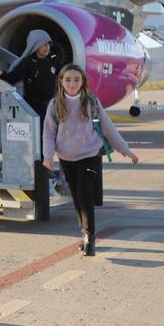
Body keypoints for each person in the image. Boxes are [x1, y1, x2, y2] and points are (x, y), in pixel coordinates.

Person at [42, 65, 138, 256]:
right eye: (68, 79)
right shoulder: (55, 104)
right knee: (77, 197)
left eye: (76, 80)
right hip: (66, 157)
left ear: (83, 82)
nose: (72, 83)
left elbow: (108, 127)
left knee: (85, 194)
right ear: (61, 81)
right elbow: (48, 132)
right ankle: (84, 233)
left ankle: (89, 237)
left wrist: (125, 150)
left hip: (89, 155)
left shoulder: (91, 101)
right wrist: (48, 156)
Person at [0, 30, 63, 123]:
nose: (47, 47)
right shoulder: (28, 62)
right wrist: (2, 74)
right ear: (35, 45)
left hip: (51, 104)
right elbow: (14, 77)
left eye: (49, 44)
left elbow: (63, 74)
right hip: (33, 106)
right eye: (44, 44)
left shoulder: (53, 60)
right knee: (39, 132)